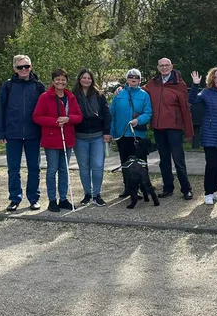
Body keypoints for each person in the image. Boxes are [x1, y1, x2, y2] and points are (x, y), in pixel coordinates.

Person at [0, 55, 46, 212]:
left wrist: (45, 132)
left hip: (33, 133)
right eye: (20, 67)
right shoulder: (8, 86)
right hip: (13, 133)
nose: (24, 69)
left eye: (27, 66)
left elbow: (45, 110)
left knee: (34, 168)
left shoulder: (38, 86)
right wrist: (0, 133)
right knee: (13, 169)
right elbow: (1, 110)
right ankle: (14, 198)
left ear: (31, 66)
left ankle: (34, 198)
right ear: (14, 69)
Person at [33, 69, 83, 212]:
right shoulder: (45, 97)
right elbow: (37, 117)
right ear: (53, 81)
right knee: (52, 170)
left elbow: (79, 116)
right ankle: (52, 200)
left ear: (67, 81)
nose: (60, 82)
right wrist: (54, 122)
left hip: (67, 139)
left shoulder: (71, 97)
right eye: (58, 79)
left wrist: (69, 119)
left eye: (63, 80)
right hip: (51, 140)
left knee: (64, 170)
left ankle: (63, 199)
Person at [144, 58, 194, 200]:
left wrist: (189, 130)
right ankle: (168, 187)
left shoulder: (179, 84)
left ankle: (186, 189)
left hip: (174, 127)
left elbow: (185, 108)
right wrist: (123, 88)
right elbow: (139, 92)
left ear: (172, 66)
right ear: (158, 67)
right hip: (158, 127)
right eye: (162, 66)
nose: (164, 68)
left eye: (167, 65)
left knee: (178, 159)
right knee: (164, 159)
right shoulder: (153, 83)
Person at [189, 67, 217, 205]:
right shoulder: (206, 93)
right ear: (212, 79)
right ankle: (208, 193)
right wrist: (195, 84)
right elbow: (192, 100)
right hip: (210, 135)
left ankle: (216, 191)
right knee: (211, 165)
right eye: (216, 77)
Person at [110, 68, 153, 197]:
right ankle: (128, 188)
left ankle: (143, 187)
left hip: (137, 135)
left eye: (136, 77)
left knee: (140, 163)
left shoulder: (144, 95)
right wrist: (111, 132)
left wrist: (138, 120)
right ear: (127, 79)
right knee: (125, 163)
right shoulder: (119, 94)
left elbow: (148, 113)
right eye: (131, 77)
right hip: (122, 134)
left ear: (139, 80)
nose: (133, 79)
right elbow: (112, 114)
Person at [73, 68, 112, 206]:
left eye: (89, 78)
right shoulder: (73, 95)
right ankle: (87, 194)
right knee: (84, 167)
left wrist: (107, 132)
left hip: (97, 135)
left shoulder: (99, 95)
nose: (86, 80)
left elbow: (107, 114)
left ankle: (97, 194)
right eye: (83, 77)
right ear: (79, 79)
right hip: (80, 136)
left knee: (98, 165)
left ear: (92, 80)